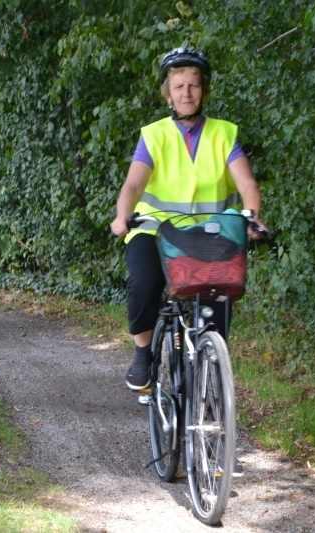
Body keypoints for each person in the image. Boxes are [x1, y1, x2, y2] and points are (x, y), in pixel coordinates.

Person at [110, 48, 267, 392]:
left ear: (203, 90)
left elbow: (247, 184)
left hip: (211, 231)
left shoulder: (223, 134)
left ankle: (210, 373)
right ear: (169, 92)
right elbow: (133, 184)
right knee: (144, 282)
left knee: (219, 299)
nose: (186, 93)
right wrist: (123, 216)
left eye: (193, 85)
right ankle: (143, 353)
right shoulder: (154, 135)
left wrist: (252, 217)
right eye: (179, 86)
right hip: (155, 228)